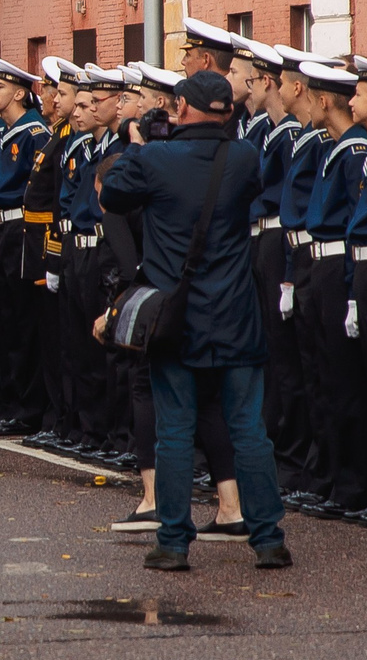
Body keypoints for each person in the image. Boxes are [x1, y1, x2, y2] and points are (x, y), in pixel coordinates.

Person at [98, 67, 285, 573]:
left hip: (176, 317)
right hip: (236, 314)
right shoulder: (243, 155)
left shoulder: (155, 158)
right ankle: (268, 539)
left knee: (175, 430)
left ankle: (174, 542)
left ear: (180, 108)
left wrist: (141, 143)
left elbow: (111, 194)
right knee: (248, 429)